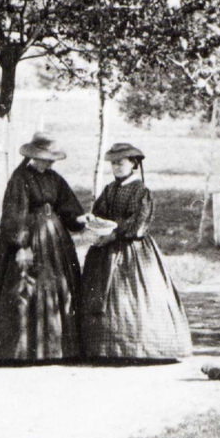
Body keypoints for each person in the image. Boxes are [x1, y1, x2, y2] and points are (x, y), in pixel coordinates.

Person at [0, 133, 86, 363]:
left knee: (58, 287)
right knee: (23, 288)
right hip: (29, 239)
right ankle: (20, 349)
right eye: (45, 158)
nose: (49, 163)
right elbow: (14, 214)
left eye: (51, 159)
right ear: (33, 156)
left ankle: (58, 347)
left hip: (55, 240)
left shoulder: (55, 179)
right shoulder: (20, 179)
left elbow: (68, 205)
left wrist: (80, 220)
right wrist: (21, 244)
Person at [80, 142, 193, 361]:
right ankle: (103, 350)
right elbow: (100, 212)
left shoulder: (141, 191)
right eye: (113, 163)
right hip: (105, 250)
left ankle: (139, 349)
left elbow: (139, 222)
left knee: (135, 295)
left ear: (133, 163)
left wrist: (114, 234)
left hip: (132, 249)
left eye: (121, 163)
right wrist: (96, 223)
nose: (116, 167)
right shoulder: (109, 189)